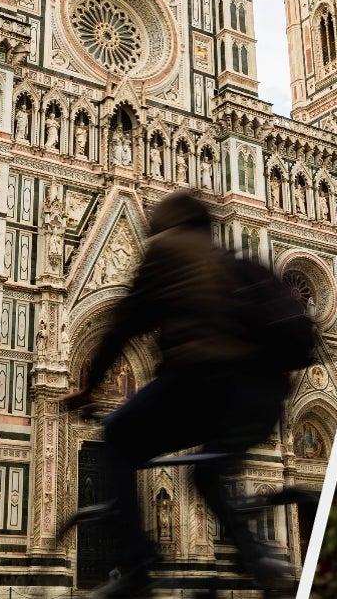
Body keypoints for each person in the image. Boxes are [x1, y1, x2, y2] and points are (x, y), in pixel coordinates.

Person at [60, 190, 295, 597]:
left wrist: (89, 387)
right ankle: (260, 559)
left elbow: (124, 324)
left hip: (204, 383)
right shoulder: (234, 260)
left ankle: (137, 564)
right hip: (263, 398)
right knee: (208, 472)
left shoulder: (169, 252)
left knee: (118, 438)